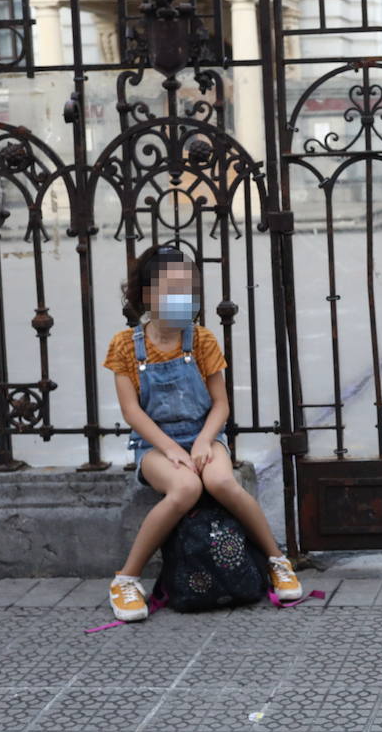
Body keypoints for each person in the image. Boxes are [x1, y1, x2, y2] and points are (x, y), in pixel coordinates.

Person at [101, 244, 302, 620]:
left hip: (205, 435)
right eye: (172, 289)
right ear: (147, 294)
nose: (183, 297)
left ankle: (277, 559)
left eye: (189, 289)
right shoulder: (125, 345)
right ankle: (126, 579)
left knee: (223, 482)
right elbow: (132, 411)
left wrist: (205, 442)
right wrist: (171, 449)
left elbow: (221, 404)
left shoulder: (203, 340)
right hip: (155, 445)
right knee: (187, 487)